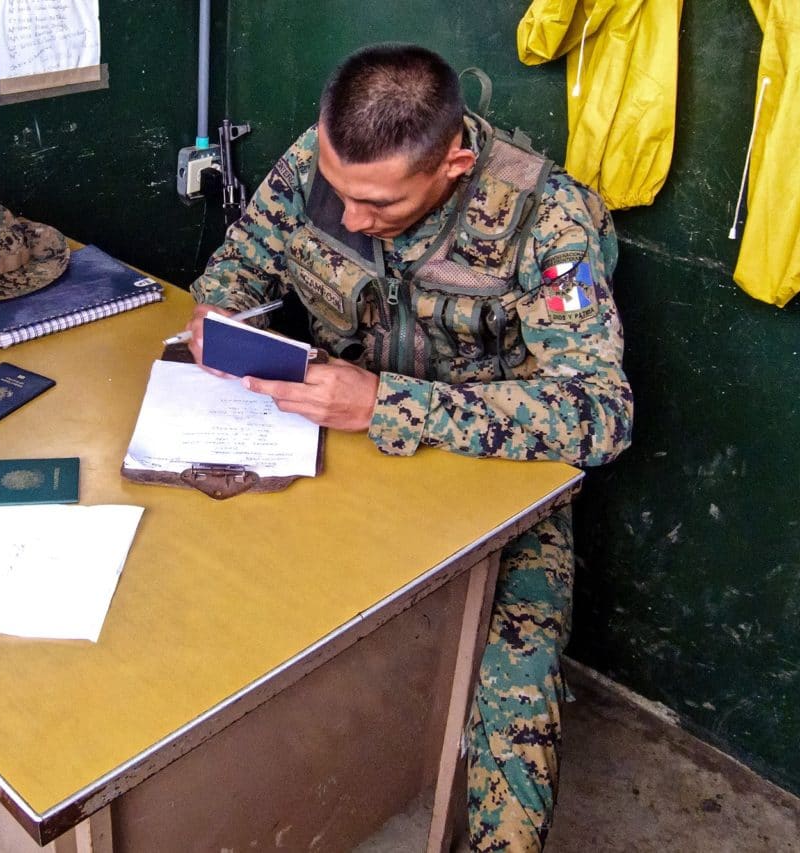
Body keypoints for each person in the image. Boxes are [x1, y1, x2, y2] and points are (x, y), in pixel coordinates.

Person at [185, 43, 632, 851]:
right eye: (339, 191)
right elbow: (236, 271)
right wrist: (215, 324)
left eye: (378, 206)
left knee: (515, 674)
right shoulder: (323, 160)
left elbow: (599, 413)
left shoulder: (551, 220)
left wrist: (391, 404)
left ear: (454, 162)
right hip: (336, 450)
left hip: (492, 482)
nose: (350, 216)